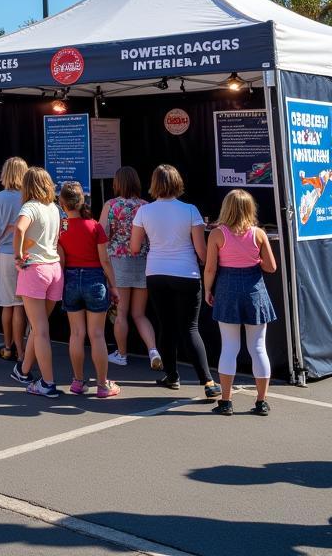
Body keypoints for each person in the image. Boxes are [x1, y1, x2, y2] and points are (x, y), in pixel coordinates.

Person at [131, 164, 221, 399]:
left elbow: (134, 247)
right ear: (177, 183)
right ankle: (208, 381)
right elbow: (202, 252)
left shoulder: (144, 212)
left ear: (154, 184)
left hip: (156, 273)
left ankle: (172, 376)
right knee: (189, 328)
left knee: (166, 326)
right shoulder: (190, 210)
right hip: (186, 274)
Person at [203, 190, 278, 415]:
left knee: (229, 347)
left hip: (227, 288)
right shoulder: (259, 234)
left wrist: (208, 289)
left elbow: (210, 268)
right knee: (258, 348)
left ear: (226, 208)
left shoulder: (217, 234)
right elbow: (271, 267)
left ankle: (226, 402)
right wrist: (254, 258)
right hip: (255, 289)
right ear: (249, 209)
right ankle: (261, 402)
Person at [57, 181, 121, 398]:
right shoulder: (95, 226)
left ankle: (77, 381)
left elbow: (61, 259)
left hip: (71, 278)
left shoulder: (61, 227)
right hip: (95, 280)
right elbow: (105, 260)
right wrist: (114, 286)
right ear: (82, 201)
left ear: (62, 203)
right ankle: (102, 385)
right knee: (97, 335)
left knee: (76, 333)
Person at [99, 166, 161, 370]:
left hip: (119, 262)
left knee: (121, 312)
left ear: (118, 183)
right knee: (140, 314)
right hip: (144, 261)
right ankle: (153, 350)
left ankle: (122, 354)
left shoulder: (111, 205)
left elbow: (101, 234)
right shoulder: (146, 206)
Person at [11, 167, 62, 397]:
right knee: (38, 326)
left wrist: (18, 255)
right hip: (54, 269)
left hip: (35, 269)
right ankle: (23, 370)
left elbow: (19, 229)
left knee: (40, 329)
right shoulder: (53, 208)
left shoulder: (30, 206)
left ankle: (48, 382)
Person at [0, 156, 28, 363]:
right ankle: (21, 350)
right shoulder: (28, 197)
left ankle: (7, 347)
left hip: (4, 252)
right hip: (24, 253)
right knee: (20, 305)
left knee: (7, 304)